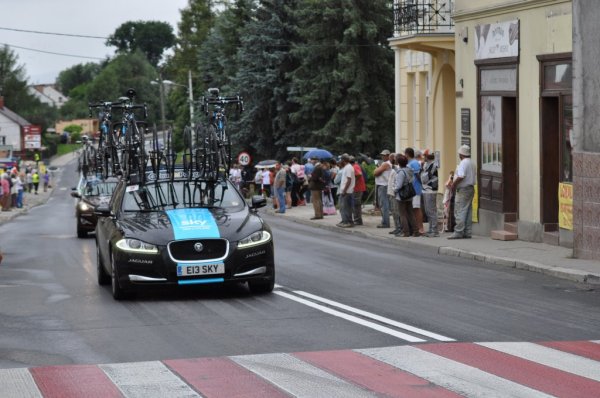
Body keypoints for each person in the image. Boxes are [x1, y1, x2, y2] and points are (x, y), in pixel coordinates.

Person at [448, 145, 476, 239]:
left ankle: (458, 232)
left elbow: (461, 176)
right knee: (467, 211)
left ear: (461, 154)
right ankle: (467, 232)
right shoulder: (472, 162)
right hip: (470, 188)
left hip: (463, 189)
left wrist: (453, 184)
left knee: (460, 210)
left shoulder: (463, 163)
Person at [394, 154, 419, 237]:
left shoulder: (401, 172)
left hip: (401, 195)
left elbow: (399, 185)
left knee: (402, 214)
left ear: (399, 163)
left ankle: (406, 232)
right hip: (409, 194)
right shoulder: (409, 170)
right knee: (410, 213)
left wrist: (394, 190)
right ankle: (416, 231)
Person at [405, 148, 424, 235]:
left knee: (416, 208)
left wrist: (422, 185)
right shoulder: (409, 163)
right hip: (411, 189)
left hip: (415, 189)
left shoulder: (414, 163)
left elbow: (418, 175)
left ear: (407, 154)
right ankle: (415, 227)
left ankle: (421, 228)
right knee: (412, 209)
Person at [421, 151, 439, 237]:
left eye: (424, 156)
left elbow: (425, 178)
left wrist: (422, 170)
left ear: (427, 157)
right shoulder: (427, 165)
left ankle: (434, 230)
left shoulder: (433, 165)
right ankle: (431, 229)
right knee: (428, 211)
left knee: (431, 211)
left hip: (431, 190)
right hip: (426, 190)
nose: (423, 157)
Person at [373, 149, 392, 228]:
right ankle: (385, 221)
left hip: (383, 185)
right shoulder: (385, 163)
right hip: (383, 185)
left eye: (384, 155)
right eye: (382, 155)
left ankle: (385, 222)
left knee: (384, 204)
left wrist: (377, 169)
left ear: (388, 156)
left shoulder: (386, 163)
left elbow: (375, 173)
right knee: (383, 204)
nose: (382, 156)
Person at [336, 154, 355, 228]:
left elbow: (349, 180)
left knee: (345, 207)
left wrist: (344, 190)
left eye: (341, 160)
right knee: (345, 207)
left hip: (347, 191)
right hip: (346, 190)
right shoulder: (347, 167)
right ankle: (346, 221)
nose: (340, 161)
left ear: (343, 160)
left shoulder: (348, 168)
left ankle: (347, 222)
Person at [386, 153, 402, 235]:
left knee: (396, 211)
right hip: (391, 193)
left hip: (394, 193)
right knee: (393, 211)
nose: (392, 160)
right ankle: (397, 227)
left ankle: (399, 227)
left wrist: (394, 190)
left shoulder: (398, 169)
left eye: (394, 158)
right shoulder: (394, 168)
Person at [350, 156, 366, 225]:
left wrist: (354, 182)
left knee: (356, 205)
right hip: (358, 188)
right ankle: (357, 219)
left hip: (357, 189)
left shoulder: (354, 167)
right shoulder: (355, 166)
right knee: (356, 205)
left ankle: (358, 220)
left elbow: (359, 174)